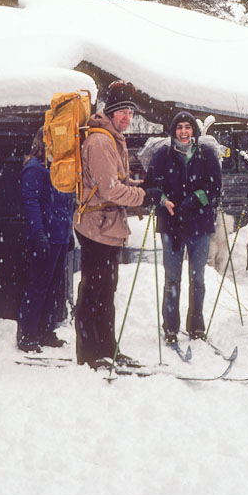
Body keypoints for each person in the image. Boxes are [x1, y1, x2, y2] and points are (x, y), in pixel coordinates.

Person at [73, 80, 162, 368]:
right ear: (110, 112)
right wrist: (144, 196)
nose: (127, 118)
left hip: (107, 225)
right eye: (123, 112)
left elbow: (117, 182)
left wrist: (142, 186)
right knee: (93, 291)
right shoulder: (100, 141)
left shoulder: (112, 138)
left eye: (131, 113)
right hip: (96, 225)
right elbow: (110, 189)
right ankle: (89, 354)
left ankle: (108, 349)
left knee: (105, 292)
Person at [147, 111, 222, 343]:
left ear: (194, 131)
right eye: (179, 127)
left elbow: (215, 186)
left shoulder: (206, 154)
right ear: (173, 131)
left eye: (187, 127)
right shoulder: (163, 155)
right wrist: (162, 199)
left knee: (197, 277)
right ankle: (170, 326)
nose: (183, 132)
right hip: (171, 223)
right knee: (172, 278)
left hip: (199, 223)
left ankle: (196, 325)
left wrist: (197, 198)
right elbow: (150, 185)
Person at [17, 127, 74, 353]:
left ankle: (46, 330)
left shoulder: (60, 169)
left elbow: (67, 204)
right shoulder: (34, 169)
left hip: (59, 235)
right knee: (38, 286)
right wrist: (38, 232)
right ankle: (27, 334)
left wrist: (68, 234)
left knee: (53, 286)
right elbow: (31, 203)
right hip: (44, 237)